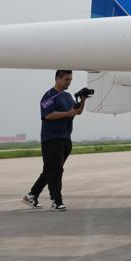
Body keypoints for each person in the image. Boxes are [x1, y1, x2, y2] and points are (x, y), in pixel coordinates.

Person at [22, 70, 86, 211]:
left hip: (65, 138)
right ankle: (56, 201)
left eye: (70, 79)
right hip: (51, 139)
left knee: (51, 170)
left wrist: (83, 100)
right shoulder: (49, 96)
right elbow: (47, 115)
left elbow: (77, 112)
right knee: (56, 170)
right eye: (66, 79)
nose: (69, 82)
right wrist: (67, 113)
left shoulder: (68, 96)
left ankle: (32, 195)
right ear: (57, 79)